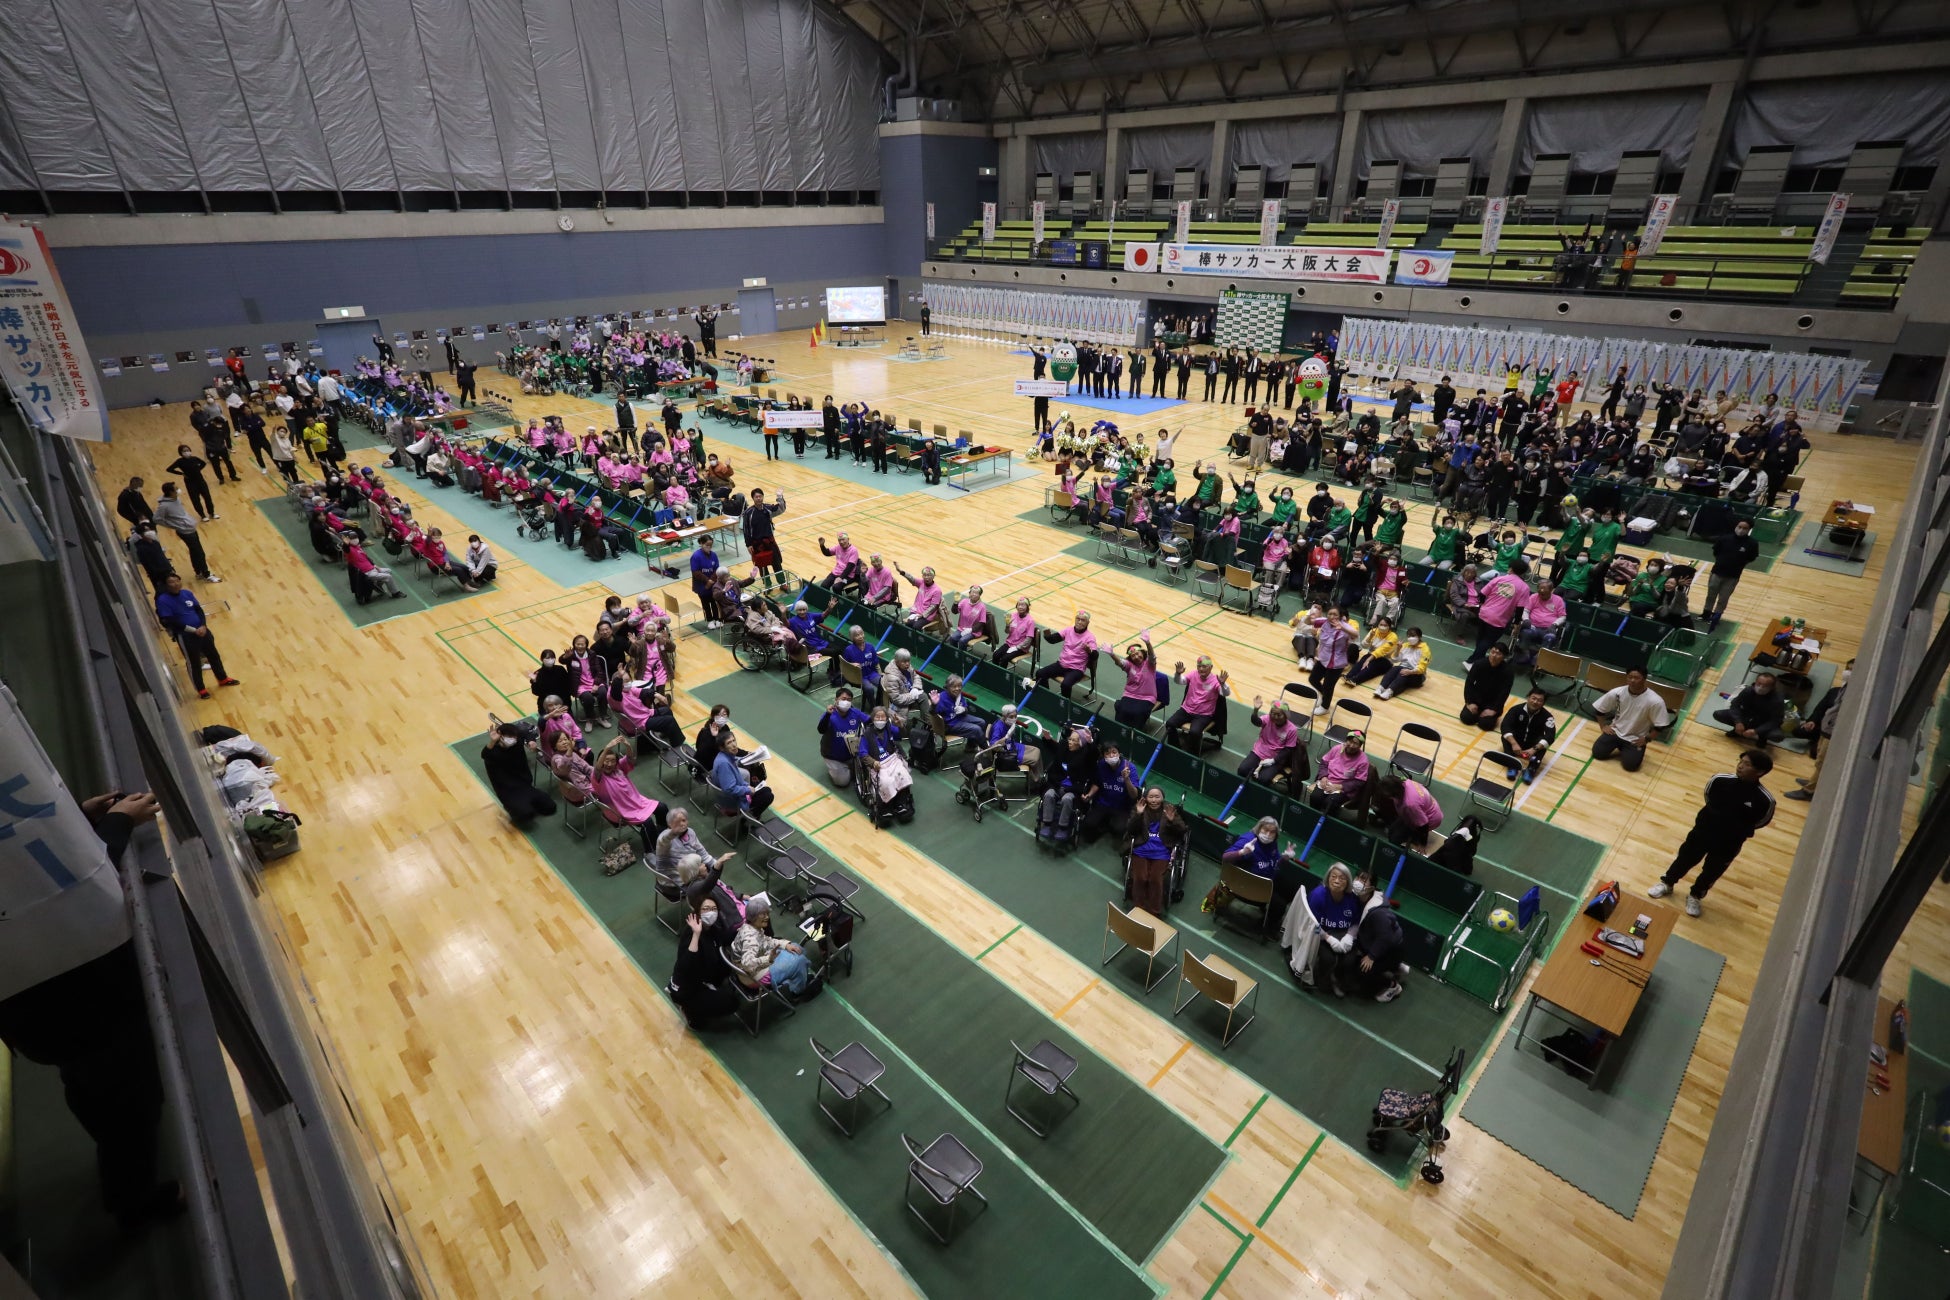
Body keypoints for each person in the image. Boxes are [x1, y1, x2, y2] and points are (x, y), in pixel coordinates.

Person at [1649, 751, 1776, 916]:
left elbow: (1762, 821)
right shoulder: (1720, 780)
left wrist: (1735, 829)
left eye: (1747, 764)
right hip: (1703, 832)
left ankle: (1696, 895)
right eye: (1741, 761)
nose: (1740, 766)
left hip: (1729, 842)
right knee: (1685, 858)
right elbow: (1708, 797)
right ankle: (1667, 883)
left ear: (1760, 772)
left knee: (1712, 871)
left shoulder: (1765, 799)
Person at [154, 573, 239, 698]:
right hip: (186, 635)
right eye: (171, 582)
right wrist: (192, 630)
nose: (175, 584)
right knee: (194, 662)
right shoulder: (163, 600)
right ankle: (201, 689)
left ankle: (222, 678)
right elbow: (169, 620)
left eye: (177, 581)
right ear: (167, 585)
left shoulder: (187, 594)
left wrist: (203, 625)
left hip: (203, 631)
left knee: (213, 655)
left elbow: (198, 609)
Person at [729, 894, 821, 1001]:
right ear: (754, 916)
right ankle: (798, 991)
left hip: (750, 969)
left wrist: (785, 944)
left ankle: (796, 979)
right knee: (799, 960)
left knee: (794, 947)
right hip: (754, 977)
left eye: (767, 913)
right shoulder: (751, 939)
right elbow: (748, 964)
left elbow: (765, 940)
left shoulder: (749, 926)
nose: (767, 917)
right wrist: (769, 959)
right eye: (763, 915)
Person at [1591, 666, 1673, 772]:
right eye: (1630, 677)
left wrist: (1647, 739)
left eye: (1636, 678)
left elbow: (1660, 725)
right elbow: (1599, 710)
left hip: (1635, 738)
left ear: (1644, 679)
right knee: (1598, 754)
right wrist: (1603, 726)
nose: (1632, 680)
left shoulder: (1655, 701)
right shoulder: (1617, 693)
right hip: (1615, 732)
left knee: (1630, 766)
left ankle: (1627, 750)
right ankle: (1620, 747)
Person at [592, 735, 666, 849]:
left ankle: (663, 832)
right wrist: (607, 748)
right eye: (606, 761)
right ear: (600, 761)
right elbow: (597, 768)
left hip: (638, 802)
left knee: (662, 807)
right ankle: (651, 850)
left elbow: (630, 759)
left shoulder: (619, 769)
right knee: (647, 822)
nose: (609, 764)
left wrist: (628, 746)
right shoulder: (598, 777)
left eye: (612, 761)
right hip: (621, 812)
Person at [1303, 863, 1366, 996]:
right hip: (1321, 934)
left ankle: (1337, 979)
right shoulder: (1318, 895)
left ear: (1348, 882)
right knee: (1328, 959)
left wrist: (1349, 936)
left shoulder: (1352, 899)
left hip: (1343, 934)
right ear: (1328, 878)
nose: (1337, 881)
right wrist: (1328, 938)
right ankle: (1323, 980)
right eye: (1334, 877)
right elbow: (1312, 924)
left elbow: (1356, 922)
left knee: (1349, 960)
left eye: (1342, 878)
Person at [1122, 788, 1187, 915]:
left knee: (1155, 879)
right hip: (1141, 850)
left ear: (1162, 798)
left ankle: (1154, 912)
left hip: (1161, 852)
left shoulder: (1169, 811)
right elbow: (1130, 829)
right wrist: (1138, 815)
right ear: (1146, 798)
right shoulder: (1139, 808)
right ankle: (1138, 909)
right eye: (1151, 797)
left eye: (1157, 797)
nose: (1154, 800)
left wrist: (1172, 820)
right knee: (1140, 878)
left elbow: (1182, 830)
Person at [483, 722, 556, 825]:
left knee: (550, 806)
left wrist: (531, 741)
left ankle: (527, 804)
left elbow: (527, 732)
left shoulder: (516, 741)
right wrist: (492, 741)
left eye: (515, 737)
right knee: (525, 815)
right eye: (510, 737)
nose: (513, 740)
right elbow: (485, 755)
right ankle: (512, 808)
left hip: (525, 785)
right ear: (500, 734)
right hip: (508, 791)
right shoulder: (493, 752)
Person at [150, 482, 220, 582]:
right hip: (185, 532)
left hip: (190, 528)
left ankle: (199, 572)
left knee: (194, 551)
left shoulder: (176, 499)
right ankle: (206, 574)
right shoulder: (164, 506)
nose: (178, 490)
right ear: (170, 492)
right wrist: (173, 525)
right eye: (176, 488)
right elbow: (156, 519)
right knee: (199, 553)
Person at [1349, 891, 1407, 1002]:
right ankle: (1396, 967)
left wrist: (1371, 956)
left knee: (1363, 969)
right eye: (1359, 877)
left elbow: (1386, 937)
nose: (1359, 882)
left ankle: (1392, 986)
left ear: (1371, 886)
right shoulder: (1373, 900)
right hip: (1388, 946)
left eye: (1364, 880)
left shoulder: (1376, 913)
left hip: (1392, 950)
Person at [1702, 519, 1759, 629]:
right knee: (1711, 594)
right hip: (1717, 572)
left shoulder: (1752, 543)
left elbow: (1751, 558)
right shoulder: (1725, 538)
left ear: (1749, 530)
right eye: (1739, 526)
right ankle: (1705, 614)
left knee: (1723, 598)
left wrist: (1737, 564)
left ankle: (1716, 617)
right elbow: (1716, 552)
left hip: (1733, 576)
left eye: (1745, 528)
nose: (1741, 530)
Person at [1079, 740, 1140, 843]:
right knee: (1088, 825)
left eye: (1114, 752)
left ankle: (1108, 824)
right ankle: (1103, 823)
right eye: (1107, 753)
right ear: (1103, 756)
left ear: (1119, 754)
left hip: (1122, 808)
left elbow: (1134, 795)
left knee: (1119, 829)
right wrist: (1089, 795)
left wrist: (1126, 779)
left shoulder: (1130, 768)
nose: (1111, 755)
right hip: (1102, 804)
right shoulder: (1101, 765)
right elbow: (1097, 783)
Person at [1167, 656, 1229, 748]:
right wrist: (1178, 674)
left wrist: (1223, 684)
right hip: (1186, 710)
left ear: (1211, 667)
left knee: (1195, 732)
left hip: (1203, 715)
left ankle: (1193, 755)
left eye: (1204, 666)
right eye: (1199, 666)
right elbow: (1179, 681)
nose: (1201, 669)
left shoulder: (1216, 680)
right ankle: (1175, 747)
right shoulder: (1193, 674)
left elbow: (1225, 693)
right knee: (1170, 724)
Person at [1034, 609, 1098, 697]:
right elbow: (1053, 640)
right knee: (1040, 673)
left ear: (1088, 622)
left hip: (1076, 669)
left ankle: (1064, 705)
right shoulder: (1068, 630)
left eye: (1082, 620)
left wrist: (1089, 651)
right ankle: (1046, 696)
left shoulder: (1090, 637)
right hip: (1061, 664)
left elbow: (1095, 656)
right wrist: (1047, 636)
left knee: (1066, 685)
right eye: (1077, 619)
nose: (1079, 622)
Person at [711, 732, 773, 821]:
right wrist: (747, 789)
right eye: (729, 743)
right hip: (733, 802)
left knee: (766, 790)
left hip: (730, 797)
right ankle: (747, 821)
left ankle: (752, 816)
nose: (734, 745)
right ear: (722, 748)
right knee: (768, 796)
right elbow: (730, 789)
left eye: (734, 740)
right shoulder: (724, 764)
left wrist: (746, 785)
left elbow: (736, 779)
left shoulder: (724, 757)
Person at [1715, 671, 1786, 747]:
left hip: (1763, 722)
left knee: (1777, 736)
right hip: (1746, 717)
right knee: (1718, 714)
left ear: (1772, 687)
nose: (1760, 687)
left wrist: (1756, 731)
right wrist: (1738, 722)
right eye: (1759, 684)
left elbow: (1776, 720)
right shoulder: (1748, 691)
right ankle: (1738, 731)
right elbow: (1735, 705)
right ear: (1755, 682)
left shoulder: (1777, 700)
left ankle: (1762, 737)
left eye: (1765, 686)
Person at [1370, 775, 1442, 851]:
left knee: (1394, 839)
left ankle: (1413, 839)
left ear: (1394, 793)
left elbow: (1424, 824)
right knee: (1392, 830)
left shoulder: (1410, 804)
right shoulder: (1404, 782)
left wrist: (1422, 844)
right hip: (1424, 809)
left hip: (1430, 818)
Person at [1501, 688, 1557, 782]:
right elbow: (1505, 726)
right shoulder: (1515, 710)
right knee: (1506, 737)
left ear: (1543, 703)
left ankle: (1531, 769)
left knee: (1543, 743)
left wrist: (1534, 749)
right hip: (1516, 741)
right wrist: (1514, 743)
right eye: (1533, 698)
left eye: (1539, 700)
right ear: (1528, 698)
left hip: (1532, 744)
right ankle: (1512, 765)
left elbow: (1550, 736)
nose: (1535, 702)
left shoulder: (1548, 717)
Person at [1308, 732, 1371, 815]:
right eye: (1350, 741)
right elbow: (1324, 763)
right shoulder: (1337, 749)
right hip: (1327, 781)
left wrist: (1339, 786)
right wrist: (1323, 777)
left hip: (1344, 789)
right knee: (1315, 797)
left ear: (1360, 746)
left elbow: (1359, 781)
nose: (1351, 745)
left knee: (1330, 803)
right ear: (1346, 740)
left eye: (1355, 743)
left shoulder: (1363, 760)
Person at [817, 690, 871, 786]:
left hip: (852, 752)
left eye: (849, 700)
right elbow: (821, 729)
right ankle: (834, 768)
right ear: (836, 700)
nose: (846, 702)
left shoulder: (855, 712)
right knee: (842, 782)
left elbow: (869, 721)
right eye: (843, 699)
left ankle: (849, 766)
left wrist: (881, 715)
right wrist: (827, 714)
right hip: (833, 756)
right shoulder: (829, 715)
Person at [1240, 698, 1300, 783]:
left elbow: (1288, 749)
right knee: (1242, 770)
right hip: (1259, 752)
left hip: (1276, 758)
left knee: (1263, 779)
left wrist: (1273, 760)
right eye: (1273, 713)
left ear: (1286, 715)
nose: (1275, 717)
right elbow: (1256, 722)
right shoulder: (1267, 719)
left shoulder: (1292, 729)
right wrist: (1255, 710)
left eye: (1279, 715)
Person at [1370, 626, 1430, 700]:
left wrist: (1410, 672)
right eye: (1409, 636)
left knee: (1403, 673)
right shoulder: (1405, 645)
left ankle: (1390, 691)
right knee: (1395, 668)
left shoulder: (1425, 649)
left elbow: (1422, 668)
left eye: (1413, 636)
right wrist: (1398, 649)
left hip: (1418, 675)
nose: (1410, 638)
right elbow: (1395, 660)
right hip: (1403, 669)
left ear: (1419, 636)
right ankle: (1381, 688)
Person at [1114, 634, 1160, 728]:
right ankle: (1118, 730)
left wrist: (1148, 643)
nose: (1136, 656)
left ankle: (1135, 733)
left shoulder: (1149, 664)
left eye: (1137, 653)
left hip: (1147, 697)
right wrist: (1112, 654)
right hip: (1130, 694)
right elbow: (1120, 663)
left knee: (1138, 713)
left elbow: (1152, 656)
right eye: (1133, 655)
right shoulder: (1129, 665)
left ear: (1142, 653)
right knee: (1122, 710)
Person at [165, 446, 218, 520]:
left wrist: (198, 469)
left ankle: (212, 513)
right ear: (181, 453)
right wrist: (181, 473)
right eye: (184, 451)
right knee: (195, 500)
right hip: (190, 483)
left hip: (200, 480)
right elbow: (169, 469)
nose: (186, 452)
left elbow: (203, 463)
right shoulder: (179, 461)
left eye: (188, 450)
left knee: (207, 497)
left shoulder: (195, 458)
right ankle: (202, 515)